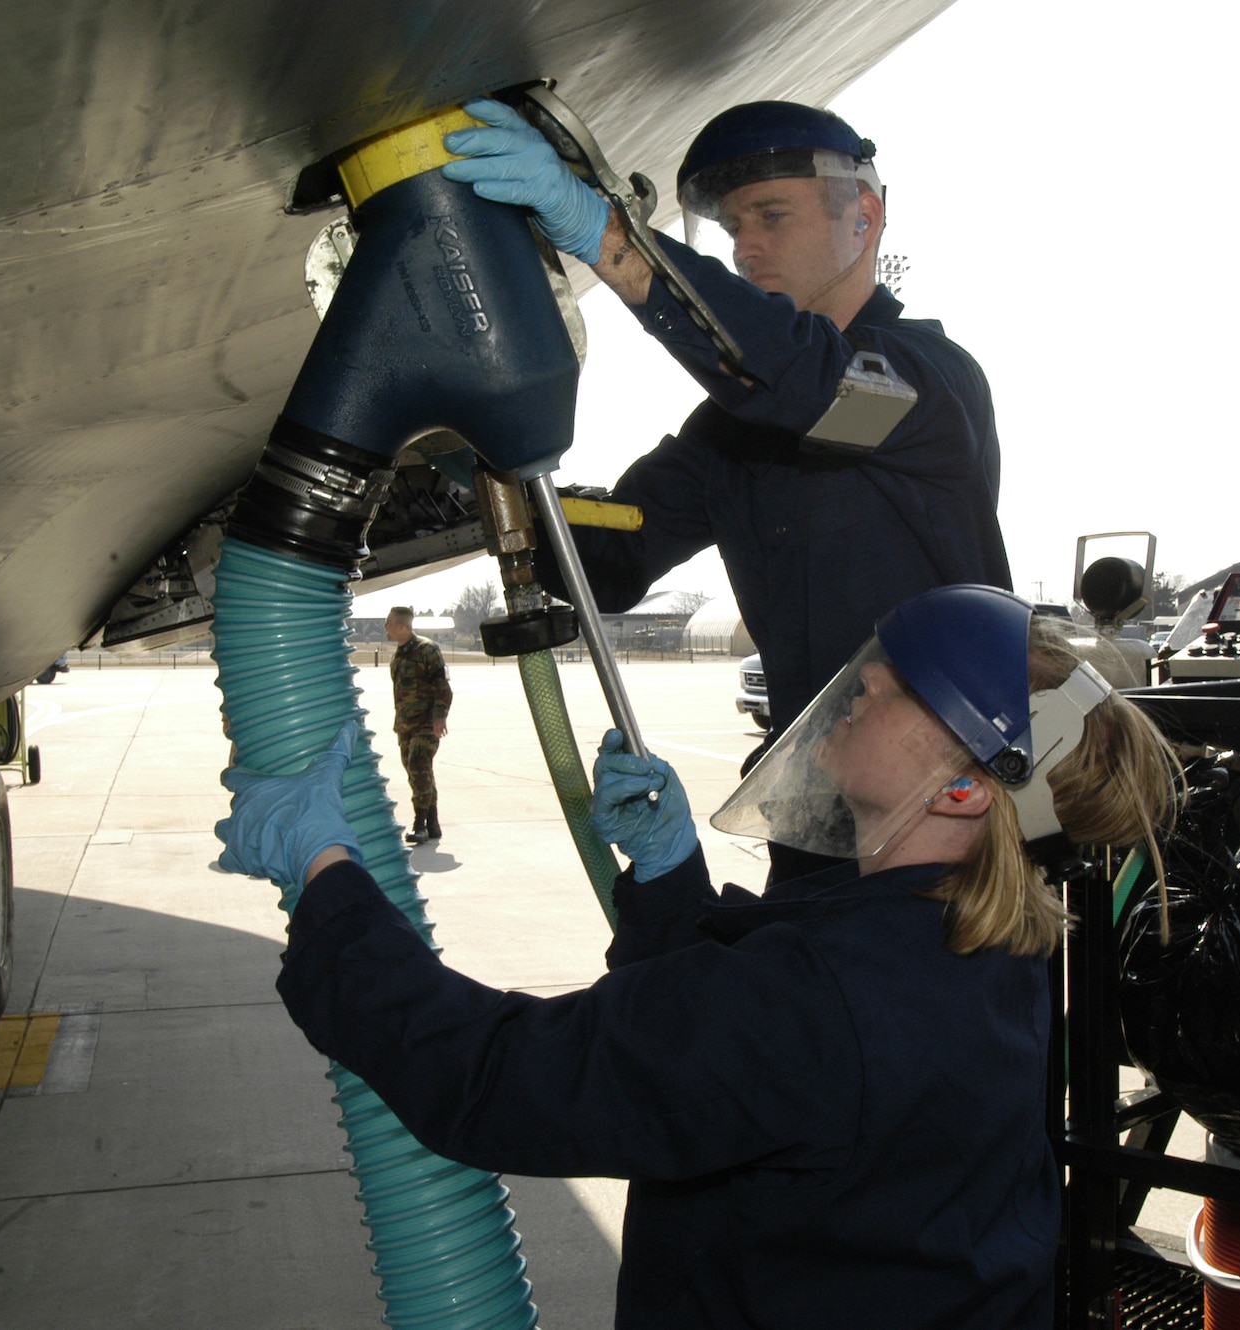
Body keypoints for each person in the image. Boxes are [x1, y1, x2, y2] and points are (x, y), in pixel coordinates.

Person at [214, 585, 1183, 1328]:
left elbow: (500, 1077)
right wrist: (673, 874)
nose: (858, 688)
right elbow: (739, 1057)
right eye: (873, 666)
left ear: (967, 791)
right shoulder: (985, 944)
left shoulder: (820, 993)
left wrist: (327, 871)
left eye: (897, 690)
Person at [439, 99, 1014, 880]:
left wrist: (614, 245)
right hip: (814, 824)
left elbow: (812, 384)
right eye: (733, 226)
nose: (746, 246)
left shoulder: (920, 387)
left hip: (943, 837)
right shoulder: (737, 429)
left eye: (771, 216)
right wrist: (478, 462)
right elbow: (617, 548)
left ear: (865, 216)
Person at [384, 606, 450, 844]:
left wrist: (439, 717)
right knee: (417, 774)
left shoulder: (427, 650)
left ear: (401, 627)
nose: (386, 628)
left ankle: (419, 824)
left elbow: (443, 686)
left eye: (389, 623)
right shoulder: (399, 654)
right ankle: (433, 822)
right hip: (405, 725)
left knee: (418, 766)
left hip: (425, 723)